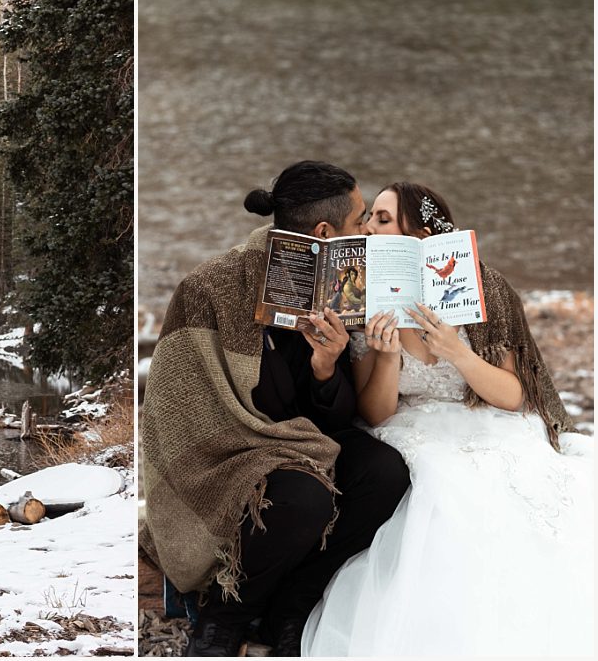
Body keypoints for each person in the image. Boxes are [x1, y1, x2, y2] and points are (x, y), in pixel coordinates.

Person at [303, 183, 593, 656]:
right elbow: (375, 413)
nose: (369, 228)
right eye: (369, 218)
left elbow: (514, 397)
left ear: (417, 232)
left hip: (487, 420)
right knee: (444, 491)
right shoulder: (363, 296)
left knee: (529, 484)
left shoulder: (485, 289)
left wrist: (458, 353)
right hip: (411, 430)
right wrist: (389, 356)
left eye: (381, 219)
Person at [139, 160, 411, 656]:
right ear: (325, 232)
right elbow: (178, 407)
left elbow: (332, 421)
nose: (366, 234)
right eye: (359, 222)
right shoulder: (210, 288)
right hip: (231, 444)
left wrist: (326, 365)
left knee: (385, 473)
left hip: (302, 438)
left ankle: (295, 602)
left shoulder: (343, 284)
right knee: (303, 497)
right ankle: (228, 613)